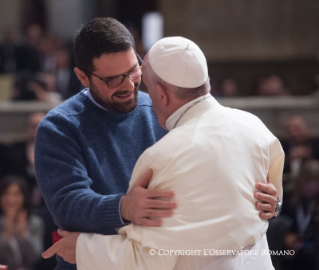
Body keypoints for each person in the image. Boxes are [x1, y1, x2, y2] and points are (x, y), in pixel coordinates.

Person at [35, 18, 280, 270]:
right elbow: (67, 204)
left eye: (133, 71)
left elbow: (206, 195)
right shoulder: (59, 127)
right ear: (82, 77)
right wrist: (124, 207)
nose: (129, 85)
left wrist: (266, 204)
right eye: (113, 80)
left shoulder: (164, 108)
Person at [0, 176, 44, 270]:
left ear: (24, 197)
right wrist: (7, 230)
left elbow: (35, 256)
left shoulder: (35, 222)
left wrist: (23, 234)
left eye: (16, 194)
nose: (10, 199)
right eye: (6, 194)